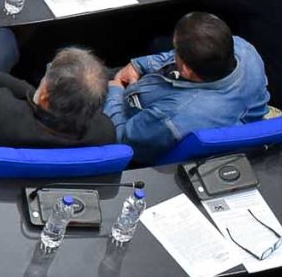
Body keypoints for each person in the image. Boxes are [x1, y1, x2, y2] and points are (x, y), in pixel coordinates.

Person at [0, 32, 115, 173]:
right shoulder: (104, 132)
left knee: (3, 38)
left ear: (44, 97)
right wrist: (32, 93)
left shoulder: (0, 111)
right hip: (14, 179)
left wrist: (29, 92)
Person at [104, 13, 272, 164]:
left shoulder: (173, 115)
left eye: (176, 49)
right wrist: (140, 65)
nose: (173, 52)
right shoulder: (243, 49)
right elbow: (176, 57)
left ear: (186, 70)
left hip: (133, 121)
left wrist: (115, 90)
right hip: (152, 96)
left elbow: (125, 142)